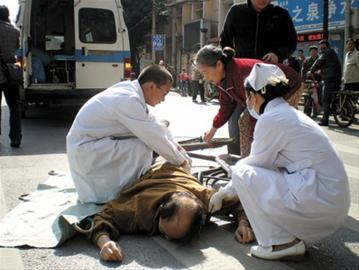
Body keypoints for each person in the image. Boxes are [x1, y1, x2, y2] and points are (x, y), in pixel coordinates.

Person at [209, 63, 350, 260]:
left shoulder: (272, 119)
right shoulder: (288, 113)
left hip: (322, 201)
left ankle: (279, 243)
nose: (248, 103)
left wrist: (223, 194)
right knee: (260, 173)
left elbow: (253, 166)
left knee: (241, 171)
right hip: (330, 201)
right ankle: (287, 237)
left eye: (248, 97)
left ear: (255, 95)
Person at [66, 65, 191, 204]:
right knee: (143, 146)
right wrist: (180, 161)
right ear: (151, 86)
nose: (163, 99)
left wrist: (179, 151)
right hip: (85, 151)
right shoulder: (128, 99)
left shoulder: (132, 92)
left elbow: (157, 127)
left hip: (92, 146)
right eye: (165, 93)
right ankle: (122, 192)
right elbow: (152, 136)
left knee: (145, 142)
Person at [81, 162, 253, 262]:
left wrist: (243, 223)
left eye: (174, 238)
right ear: (160, 211)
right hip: (153, 168)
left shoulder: (208, 200)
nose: (167, 239)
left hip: (181, 172)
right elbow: (102, 217)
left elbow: (238, 202)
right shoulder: (139, 208)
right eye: (164, 233)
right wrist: (104, 243)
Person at [219, 0, 297, 155]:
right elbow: (225, 40)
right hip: (242, 76)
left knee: (269, 122)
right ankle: (237, 161)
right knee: (237, 121)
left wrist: (278, 54)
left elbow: (290, 42)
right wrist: (229, 57)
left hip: (272, 80)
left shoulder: (280, 14)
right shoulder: (236, 12)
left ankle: (267, 160)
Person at [195, 45, 302, 157]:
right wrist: (212, 130)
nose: (205, 77)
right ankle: (246, 158)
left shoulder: (241, 75)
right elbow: (226, 106)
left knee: (266, 125)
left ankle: (265, 161)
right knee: (244, 121)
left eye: (205, 72)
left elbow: (259, 111)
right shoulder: (222, 79)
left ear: (218, 64)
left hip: (290, 87)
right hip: (264, 97)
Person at [0, 5, 22, 148]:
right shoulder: (15, 31)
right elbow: (16, 47)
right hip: (11, 73)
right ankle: (15, 138)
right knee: (14, 107)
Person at [308, 40, 342, 126]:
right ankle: (332, 110)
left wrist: (311, 70)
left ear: (326, 46)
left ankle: (325, 120)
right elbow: (328, 65)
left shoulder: (326, 53)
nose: (321, 49)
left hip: (329, 79)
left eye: (322, 47)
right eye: (320, 47)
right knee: (332, 97)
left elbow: (318, 62)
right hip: (337, 78)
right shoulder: (333, 52)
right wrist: (321, 71)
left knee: (325, 99)